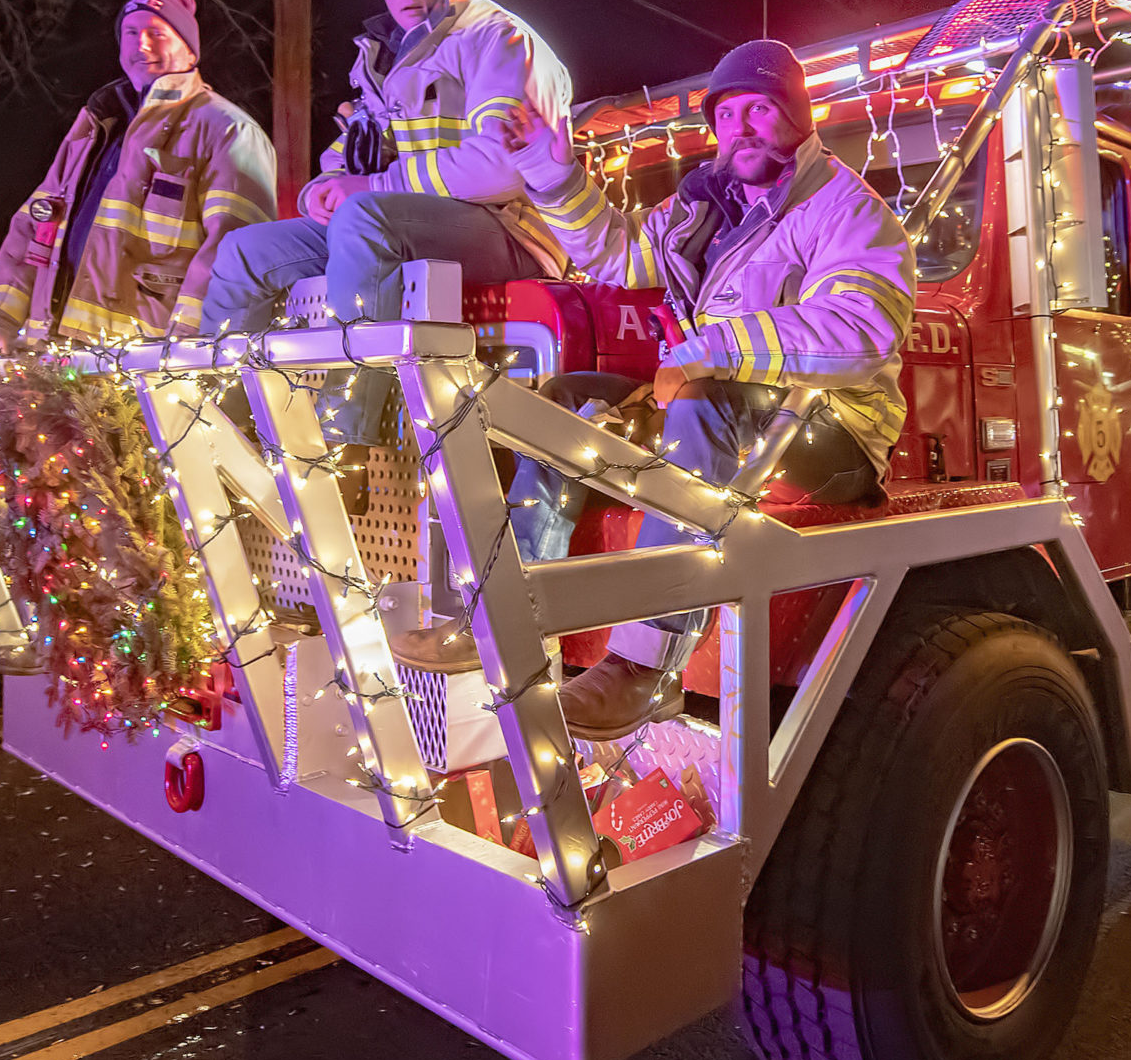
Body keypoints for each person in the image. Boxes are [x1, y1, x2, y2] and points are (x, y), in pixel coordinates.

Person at [388, 41, 912, 741]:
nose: (745, 128)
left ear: (800, 117)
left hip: (829, 427)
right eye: (730, 115)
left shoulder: (849, 210)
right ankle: (505, 614)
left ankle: (647, 668)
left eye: (763, 109)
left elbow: (859, 330)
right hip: (733, 402)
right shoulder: (713, 206)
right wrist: (550, 166)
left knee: (702, 404)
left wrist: (707, 351)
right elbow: (615, 251)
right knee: (564, 398)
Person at [199, 0, 575, 492]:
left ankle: (344, 446)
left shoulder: (495, 39)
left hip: (513, 231)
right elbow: (357, 153)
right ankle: (222, 434)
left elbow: (503, 169)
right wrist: (326, 183)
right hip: (402, 221)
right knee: (245, 251)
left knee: (363, 217)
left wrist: (369, 188)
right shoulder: (387, 52)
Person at [0, 0, 273, 348]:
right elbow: (35, 226)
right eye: (131, 34)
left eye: (157, 34)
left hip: (148, 359)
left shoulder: (226, 129)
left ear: (191, 51)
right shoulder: (94, 128)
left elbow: (232, 252)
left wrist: (189, 344)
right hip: (53, 353)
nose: (142, 45)